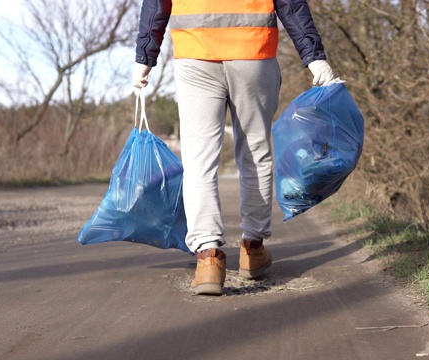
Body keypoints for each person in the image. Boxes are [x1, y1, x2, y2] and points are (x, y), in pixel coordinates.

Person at [132, 0, 335, 296]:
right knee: (255, 153)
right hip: (253, 53)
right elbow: (290, 4)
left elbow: (157, 3)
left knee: (199, 161)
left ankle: (208, 258)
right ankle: (252, 249)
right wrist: (314, 56)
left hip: (195, 54)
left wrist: (144, 57)